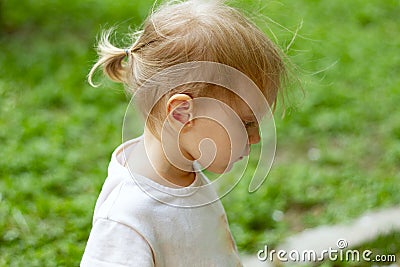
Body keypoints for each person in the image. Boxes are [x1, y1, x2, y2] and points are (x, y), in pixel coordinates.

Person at [81, 0, 287, 266]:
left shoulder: (182, 172)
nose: (257, 138)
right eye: (246, 124)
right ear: (181, 114)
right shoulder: (127, 219)